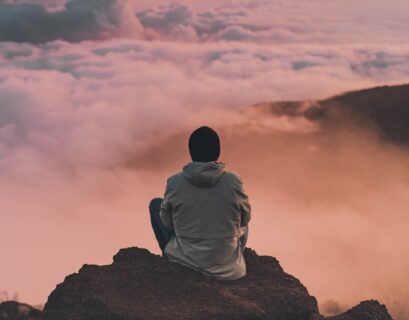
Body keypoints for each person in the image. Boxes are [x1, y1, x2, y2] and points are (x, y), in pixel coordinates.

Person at [149, 126, 251, 280]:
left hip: (184, 259)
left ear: (191, 153)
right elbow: (244, 220)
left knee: (156, 204)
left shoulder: (174, 182)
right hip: (226, 266)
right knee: (243, 222)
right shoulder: (234, 181)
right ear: (218, 152)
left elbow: (168, 223)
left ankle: (169, 256)